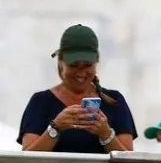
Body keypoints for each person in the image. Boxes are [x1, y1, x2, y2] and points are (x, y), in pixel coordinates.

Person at [17, 24, 136, 153]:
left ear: (96, 63)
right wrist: (55, 128)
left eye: (87, 65)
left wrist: (106, 134)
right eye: (74, 65)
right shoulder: (40, 102)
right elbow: (28, 158)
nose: (81, 72)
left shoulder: (114, 101)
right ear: (60, 62)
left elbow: (126, 161)